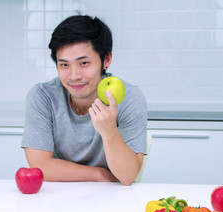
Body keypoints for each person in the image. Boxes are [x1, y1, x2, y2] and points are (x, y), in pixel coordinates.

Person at [21, 14, 147, 186]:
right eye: (64, 65)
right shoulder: (43, 96)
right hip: (59, 196)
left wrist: (109, 131)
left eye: (84, 63)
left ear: (106, 60)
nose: (74, 76)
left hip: (112, 198)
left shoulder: (129, 97)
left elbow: (127, 176)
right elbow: (40, 165)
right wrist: (100, 175)